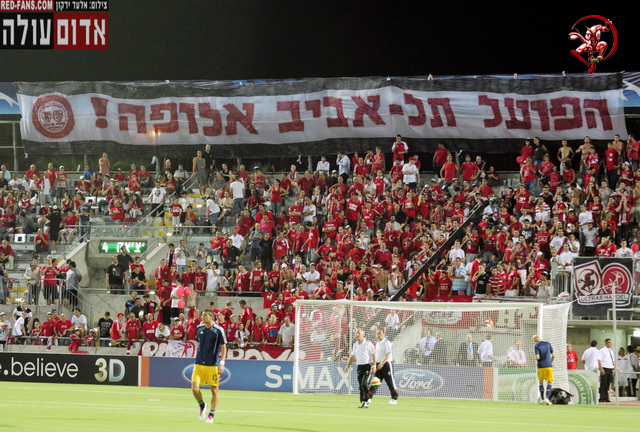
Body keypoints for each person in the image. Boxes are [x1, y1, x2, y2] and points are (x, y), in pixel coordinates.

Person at [191, 309, 227, 424]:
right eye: (202, 315)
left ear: (212, 317)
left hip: (212, 365)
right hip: (199, 363)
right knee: (194, 388)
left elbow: (223, 347)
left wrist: (222, 363)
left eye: (205, 315)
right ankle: (202, 405)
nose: (203, 317)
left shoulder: (218, 330)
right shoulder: (199, 328)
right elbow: (199, 343)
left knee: (214, 390)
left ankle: (211, 414)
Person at [345, 328, 376, 408]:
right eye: (356, 333)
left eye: (358, 333)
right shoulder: (355, 345)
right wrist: (348, 366)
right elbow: (352, 356)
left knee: (363, 383)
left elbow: (373, 354)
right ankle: (363, 402)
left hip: (367, 366)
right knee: (360, 385)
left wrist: (374, 366)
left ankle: (366, 399)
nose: (357, 334)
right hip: (359, 366)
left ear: (363, 335)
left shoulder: (368, 343)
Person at [369, 328, 399, 404]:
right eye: (378, 333)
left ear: (384, 334)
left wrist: (382, 363)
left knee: (390, 382)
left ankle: (394, 398)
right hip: (379, 364)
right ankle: (369, 398)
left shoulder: (386, 342)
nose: (379, 335)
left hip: (386, 364)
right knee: (375, 381)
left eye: (380, 333)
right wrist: (375, 365)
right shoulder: (377, 343)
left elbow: (388, 354)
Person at [533, 335, 554, 405]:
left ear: (535, 340)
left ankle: (542, 399)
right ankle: (547, 399)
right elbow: (553, 355)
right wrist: (551, 361)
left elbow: (537, 357)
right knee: (549, 382)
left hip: (541, 367)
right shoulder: (548, 344)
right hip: (548, 366)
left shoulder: (536, 346)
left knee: (541, 382)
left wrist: (535, 359)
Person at [598, 338, 615, 403]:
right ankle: (602, 397)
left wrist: (614, 368)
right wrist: (601, 368)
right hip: (605, 368)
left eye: (610, 342)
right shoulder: (602, 350)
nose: (610, 344)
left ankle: (606, 397)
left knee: (608, 383)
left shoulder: (611, 351)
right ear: (605, 343)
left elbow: (612, 360)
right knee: (603, 383)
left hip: (610, 368)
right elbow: (599, 359)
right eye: (609, 342)